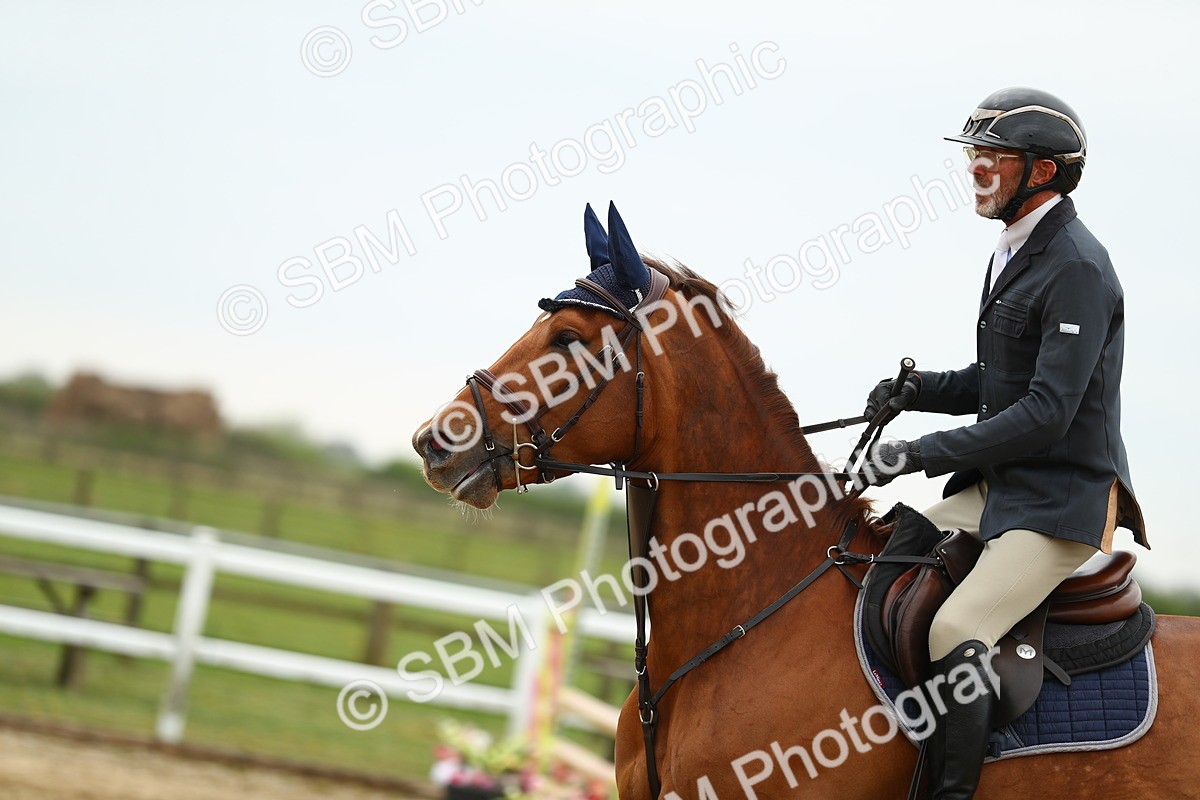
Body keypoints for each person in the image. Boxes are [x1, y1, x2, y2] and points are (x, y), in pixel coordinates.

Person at [861, 87, 1149, 799]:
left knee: (953, 627)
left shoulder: (1078, 267)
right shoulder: (1017, 248)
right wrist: (917, 389)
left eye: (990, 158)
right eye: (975, 157)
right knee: (882, 549)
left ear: (1041, 173)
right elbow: (997, 384)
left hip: (1057, 501)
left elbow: (1048, 412)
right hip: (1002, 485)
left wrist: (922, 453)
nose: (975, 170)